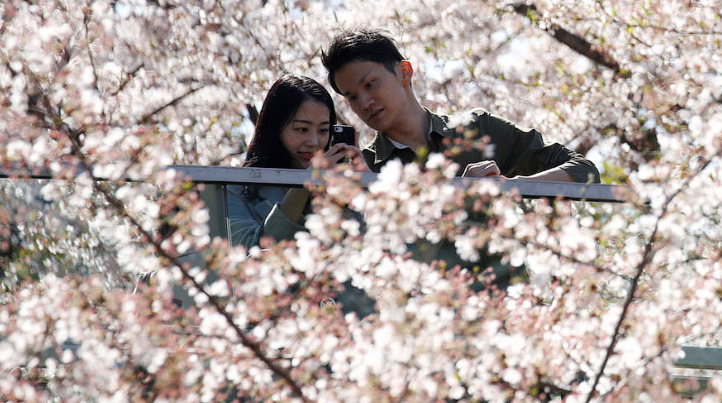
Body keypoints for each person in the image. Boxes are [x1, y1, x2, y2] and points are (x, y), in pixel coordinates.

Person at [320, 29, 599, 183]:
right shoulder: (365, 166)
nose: (364, 103)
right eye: (352, 97)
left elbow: (585, 170)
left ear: (404, 72)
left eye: (370, 84)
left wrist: (509, 188)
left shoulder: (477, 129)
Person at [226, 75, 367, 250]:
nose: (314, 142)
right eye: (302, 129)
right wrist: (303, 187)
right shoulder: (237, 189)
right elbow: (249, 252)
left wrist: (366, 188)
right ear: (275, 128)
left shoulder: (335, 188)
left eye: (323, 130)